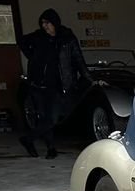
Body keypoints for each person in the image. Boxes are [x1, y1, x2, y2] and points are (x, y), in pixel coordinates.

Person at [17, 9, 92, 159]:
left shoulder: (67, 38)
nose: (45, 26)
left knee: (53, 118)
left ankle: (28, 139)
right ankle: (51, 148)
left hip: (59, 85)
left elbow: (78, 59)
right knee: (44, 117)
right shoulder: (39, 37)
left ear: (55, 23)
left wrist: (89, 78)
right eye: (43, 23)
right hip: (39, 84)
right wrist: (32, 56)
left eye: (48, 23)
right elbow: (21, 40)